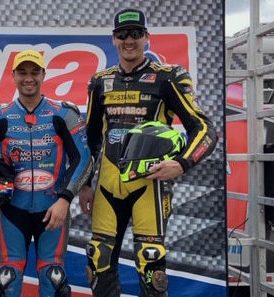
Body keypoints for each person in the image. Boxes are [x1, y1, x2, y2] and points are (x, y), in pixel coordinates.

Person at [79, 8, 217, 297]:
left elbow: (205, 129)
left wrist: (181, 164)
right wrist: (84, 185)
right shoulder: (99, 82)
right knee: (98, 260)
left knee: (150, 263)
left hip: (150, 185)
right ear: (114, 39)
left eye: (136, 34)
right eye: (123, 34)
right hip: (107, 184)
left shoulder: (169, 77)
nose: (129, 40)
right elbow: (90, 139)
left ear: (146, 38)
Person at [0, 50, 92, 297]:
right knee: (8, 279)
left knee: (53, 278)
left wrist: (65, 199)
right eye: (23, 72)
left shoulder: (63, 114)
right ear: (13, 76)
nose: (29, 78)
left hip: (53, 210)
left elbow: (84, 159)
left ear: (44, 75)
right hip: (13, 210)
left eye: (35, 72)